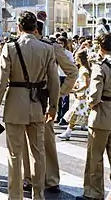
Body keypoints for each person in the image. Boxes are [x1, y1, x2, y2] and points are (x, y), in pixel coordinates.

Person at [0, 11, 60, 200]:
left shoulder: (10, 47)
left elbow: (1, 83)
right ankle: (38, 195)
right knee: (38, 153)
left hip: (15, 104)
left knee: (14, 155)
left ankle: (15, 196)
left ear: (18, 27)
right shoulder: (47, 48)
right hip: (37, 105)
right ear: (35, 28)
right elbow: (54, 81)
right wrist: (53, 107)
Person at [23, 18, 78, 193]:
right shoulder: (20, 46)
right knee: (26, 140)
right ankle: (29, 177)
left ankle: (51, 179)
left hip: (44, 98)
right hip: (24, 98)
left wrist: (59, 93)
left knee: (46, 140)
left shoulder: (52, 47)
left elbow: (72, 71)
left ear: (36, 31)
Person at [76, 33, 111, 200]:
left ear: (101, 47)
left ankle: (93, 193)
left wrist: (89, 103)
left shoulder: (100, 65)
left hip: (102, 114)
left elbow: (95, 94)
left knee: (95, 159)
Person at [58, 50, 91, 140]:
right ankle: (72, 130)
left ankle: (68, 131)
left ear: (80, 58)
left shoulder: (84, 70)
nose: (75, 59)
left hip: (82, 95)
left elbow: (86, 84)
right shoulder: (82, 69)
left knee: (75, 113)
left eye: (76, 57)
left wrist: (76, 90)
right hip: (81, 95)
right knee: (79, 113)